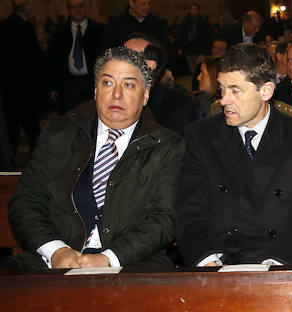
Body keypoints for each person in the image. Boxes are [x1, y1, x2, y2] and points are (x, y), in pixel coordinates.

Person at [8, 46, 184, 269]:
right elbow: (26, 201)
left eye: (128, 85)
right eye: (108, 83)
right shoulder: (59, 134)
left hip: (132, 266)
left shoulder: (168, 147)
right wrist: (55, 250)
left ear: (146, 94)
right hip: (52, 263)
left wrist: (108, 258)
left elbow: (165, 218)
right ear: (95, 90)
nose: (117, 94)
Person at [176, 44, 292, 266]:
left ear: (266, 91)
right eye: (221, 89)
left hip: (279, 260)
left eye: (235, 90)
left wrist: (279, 262)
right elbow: (189, 210)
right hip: (218, 261)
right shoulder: (201, 136)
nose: (224, 100)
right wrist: (207, 261)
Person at [124, 35, 196, 136]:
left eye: (125, 56)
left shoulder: (178, 107)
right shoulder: (106, 97)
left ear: (149, 65)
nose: (115, 60)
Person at [0, 0, 43, 161]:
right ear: (28, 9)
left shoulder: (2, 27)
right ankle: (38, 163)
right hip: (26, 89)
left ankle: (8, 164)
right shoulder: (27, 30)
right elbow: (33, 62)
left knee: (11, 131)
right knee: (32, 130)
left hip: (7, 89)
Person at [47, 0, 106, 115]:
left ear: (85, 7)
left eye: (80, 6)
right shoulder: (59, 31)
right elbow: (52, 60)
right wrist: (52, 86)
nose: (77, 9)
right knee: (68, 118)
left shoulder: (100, 30)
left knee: (91, 116)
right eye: (73, 7)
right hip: (68, 83)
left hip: (91, 82)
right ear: (68, 10)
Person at [176, 3, 212, 76]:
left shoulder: (204, 23)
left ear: (198, 11)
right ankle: (194, 84)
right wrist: (179, 47)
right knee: (193, 69)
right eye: (191, 9)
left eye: (195, 9)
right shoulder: (185, 22)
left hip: (201, 48)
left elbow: (208, 36)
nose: (193, 11)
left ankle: (199, 83)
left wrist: (208, 49)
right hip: (189, 48)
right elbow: (181, 35)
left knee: (199, 67)